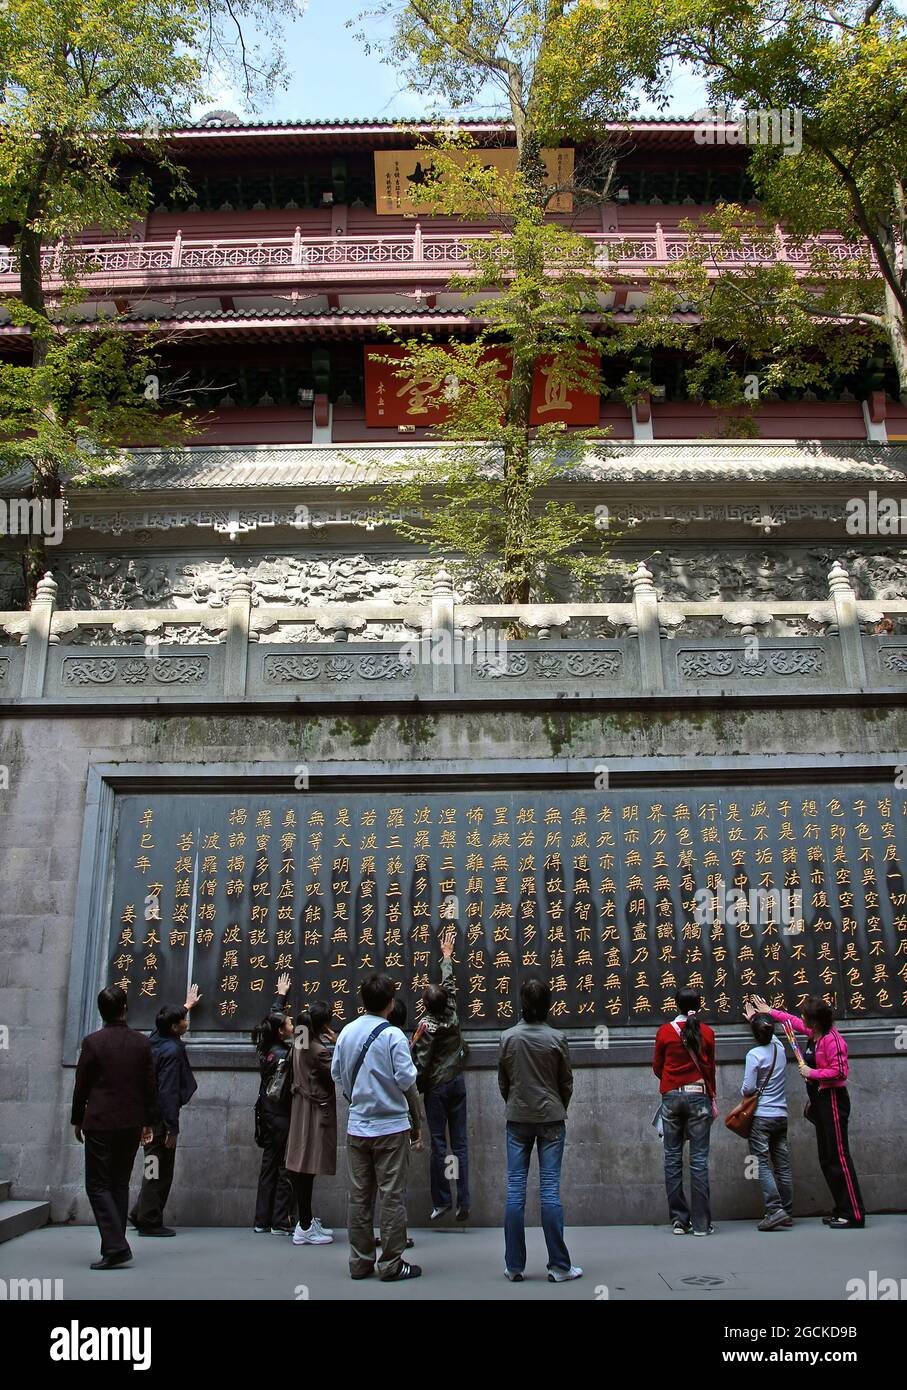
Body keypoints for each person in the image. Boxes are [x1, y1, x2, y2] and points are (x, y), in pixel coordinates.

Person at [331, 973, 422, 1282]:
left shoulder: (346, 1032)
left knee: (359, 1197)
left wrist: (357, 1097)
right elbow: (408, 1081)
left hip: (358, 1127)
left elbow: (337, 1074)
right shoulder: (394, 1035)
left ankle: (359, 1262)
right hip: (391, 1128)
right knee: (391, 1196)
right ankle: (392, 1264)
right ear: (390, 1002)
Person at [751, 992, 866, 1228]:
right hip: (820, 1099)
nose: (801, 1020)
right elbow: (791, 1021)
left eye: (805, 1017)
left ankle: (854, 1213)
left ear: (815, 1021)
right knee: (826, 1157)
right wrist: (768, 1012)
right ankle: (841, 1208)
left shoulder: (832, 1040)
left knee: (839, 1156)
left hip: (833, 1099)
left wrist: (812, 1073)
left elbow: (840, 1072)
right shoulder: (815, 1034)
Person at [497, 976, 581, 1283]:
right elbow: (566, 1083)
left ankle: (514, 1266)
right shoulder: (557, 1039)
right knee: (549, 1191)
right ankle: (559, 1266)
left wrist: (517, 1102)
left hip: (517, 1118)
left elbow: (503, 1081)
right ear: (548, 1005)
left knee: (515, 1190)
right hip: (551, 1120)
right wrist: (557, 1106)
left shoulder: (508, 1037)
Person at [70, 986, 158, 1270]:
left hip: (100, 1121)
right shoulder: (141, 1043)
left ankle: (116, 1246)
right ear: (125, 1008)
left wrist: (76, 1118)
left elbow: (82, 1084)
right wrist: (148, 1121)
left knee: (97, 1184)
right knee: (118, 1183)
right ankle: (114, 1244)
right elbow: (149, 1087)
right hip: (131, 1122)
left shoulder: (93, 1043)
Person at [129, 984, 201, 1236]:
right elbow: (168, 1093)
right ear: (174, 1028)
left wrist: (186, 1006)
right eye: (183, 1020)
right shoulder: (172, 1051)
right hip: (159, 1122)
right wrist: (172, 1128)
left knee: (151, 1166)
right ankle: (149, 1220)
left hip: (146, 1118)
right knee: (159, 1171)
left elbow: (162, 1025)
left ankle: (140, 1212)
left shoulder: (155, 1040)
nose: (187, 1022)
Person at [412, 924, 470, 1222]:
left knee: (438, 1143)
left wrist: (415, 1087)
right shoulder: (453, 1012)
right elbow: (449, 983)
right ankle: (464, 1201)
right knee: (459, 1143)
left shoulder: (426, 1026)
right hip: (457, 1082)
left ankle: (443, 1200)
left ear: (425, 1005)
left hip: (436, 1087)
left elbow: (421, 1063)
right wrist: (446, 956)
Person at [653, 986, 717, 1236]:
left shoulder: (665, 1032)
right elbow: (710, 1069)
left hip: (671, 1097)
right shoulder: (707, 1033)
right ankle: (701, 1224)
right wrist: (712, 1096)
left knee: (672, 1157)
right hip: (698, 1095)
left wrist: (671, 1082)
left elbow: (657, 1066)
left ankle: (679, 1220)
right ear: (699, 1005)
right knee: (699, 1160)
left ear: (675, 1005)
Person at [285, 999, 337, 1247]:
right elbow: (337, 1073)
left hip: (300, 1108)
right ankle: (304, 1226)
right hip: (313, 1111)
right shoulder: (319, 1051)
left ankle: (304, 1220)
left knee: (301, 1164)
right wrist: (337, 1042)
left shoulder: (300, 1041)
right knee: (306, 1166)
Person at [740, 1009, 792, 1231]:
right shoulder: (779, 1048)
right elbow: (774, 1034)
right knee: (782, 1164)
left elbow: (748, 1088)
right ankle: (787, 1210)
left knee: (760, 1162)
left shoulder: (754, 1055)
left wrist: (753, 1020)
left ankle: (774, 1209)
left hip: (762, 1116)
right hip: (781, 1115)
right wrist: (758, 1017)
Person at [252, 971, 295, 1235]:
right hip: (281, 1116)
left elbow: (271, 1019)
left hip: (265, 1114)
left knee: (268, 1165)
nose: (293, 1026)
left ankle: (261, 1220)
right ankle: (281, 1220)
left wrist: (280, 997)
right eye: (290, 1024)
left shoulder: (265, 1047)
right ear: (281, 1032)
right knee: (284, 1167)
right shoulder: (285, 1056)